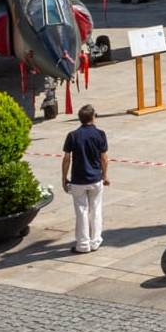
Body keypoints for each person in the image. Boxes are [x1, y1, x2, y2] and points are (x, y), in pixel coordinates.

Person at [60, 104, 109, 253]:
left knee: (81, 212)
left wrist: (64, 178)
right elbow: (104, 158)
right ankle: (95, 241)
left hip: (78, 180)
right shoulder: (100, 134)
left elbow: (67, 158)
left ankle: (82, 244)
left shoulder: (72, 135)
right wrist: (105, 175)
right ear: (93, 117)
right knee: (96, 210)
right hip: (95, 179)